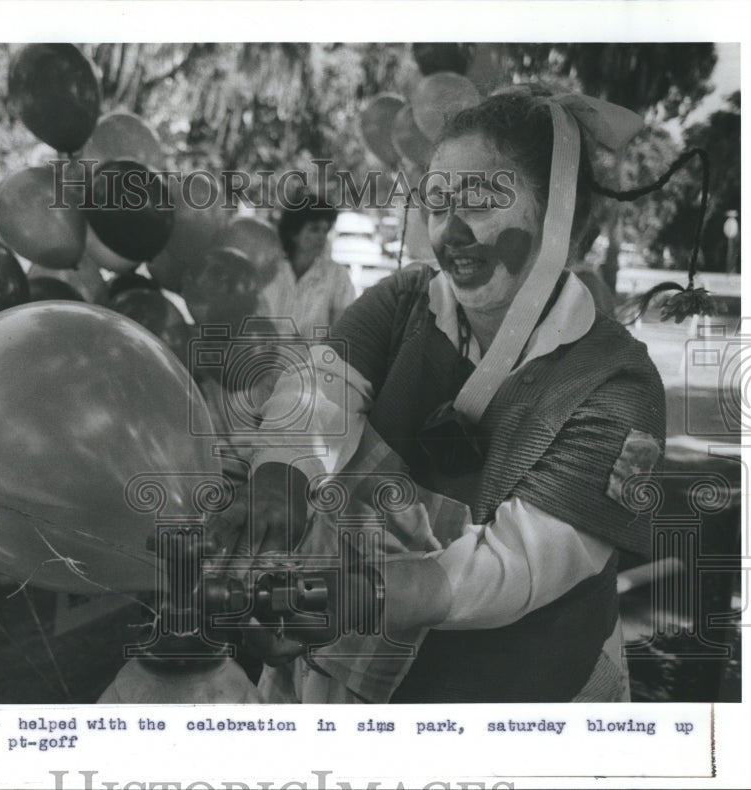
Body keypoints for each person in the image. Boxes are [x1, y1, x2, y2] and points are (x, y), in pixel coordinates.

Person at [213, 86, 667, 703]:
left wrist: (355, 596)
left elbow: (518, 567)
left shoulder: (617, 384)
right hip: (347, 673)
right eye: (435, 201)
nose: (448, 233)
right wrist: (278, 493)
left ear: (560, 220)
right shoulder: (406, 302)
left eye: (478, 201)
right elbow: (317, 393)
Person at [258, 197, 357, 336]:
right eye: (314, 229)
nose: (321, 237)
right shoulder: (270, 269)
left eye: (325, 230)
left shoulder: (337, 276)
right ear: (294, 233)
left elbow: (344, 329)